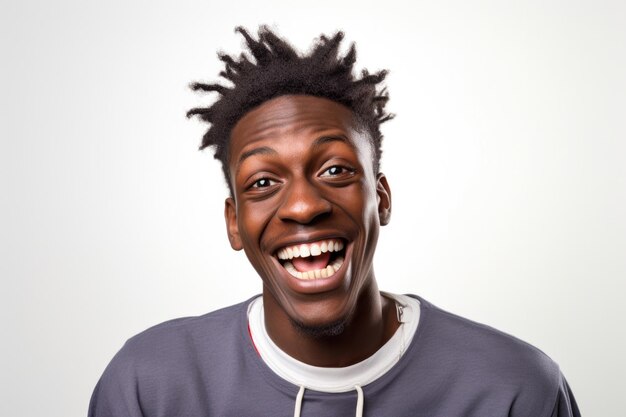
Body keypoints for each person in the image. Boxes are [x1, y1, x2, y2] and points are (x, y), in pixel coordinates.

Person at [88, 26, 581, 417]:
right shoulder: (149, 387)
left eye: (335, 170)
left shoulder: (514, 389)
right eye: (263, 181)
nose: (303, 206)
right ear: (234, 223)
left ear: (381, 197)